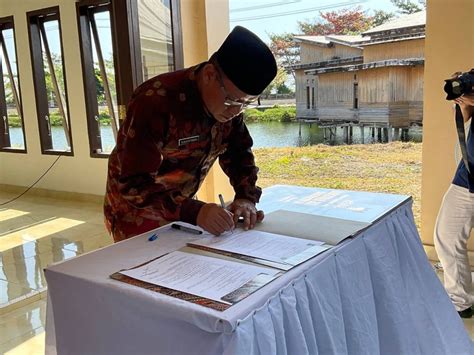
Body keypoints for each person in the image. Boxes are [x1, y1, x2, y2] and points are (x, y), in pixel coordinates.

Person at [104, 26, 277, 242]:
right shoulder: (155, 101)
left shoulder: (228, 106)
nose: (235, 111)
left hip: (181, 206)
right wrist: (195, 211)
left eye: (245, 104)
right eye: (233, 100)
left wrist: (245, 197)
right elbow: (134, 184)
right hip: (138, 211)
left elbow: (238, 151)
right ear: (209, 75)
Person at [434, 93, 474, 318]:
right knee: (446, 237)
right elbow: (464, 118)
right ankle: (460, 302)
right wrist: (461, 101)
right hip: (466, 179)